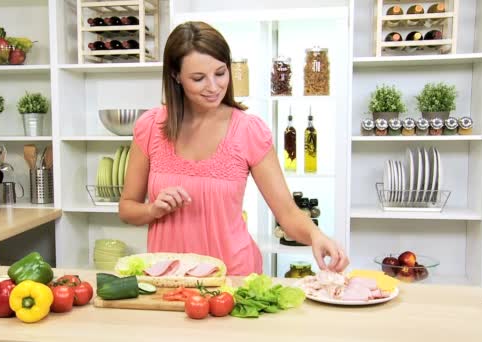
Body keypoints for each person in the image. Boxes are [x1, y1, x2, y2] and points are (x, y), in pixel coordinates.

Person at [119, 21, 349, 275]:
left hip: (233, 276)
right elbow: (127, 209)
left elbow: (287, 214)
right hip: (168, 278)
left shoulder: (248, 130)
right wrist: (153, 209)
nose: (214, 86)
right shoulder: (150, 127)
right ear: (176, 76)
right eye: (198, 78)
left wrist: (317, 235)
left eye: (220, 73)